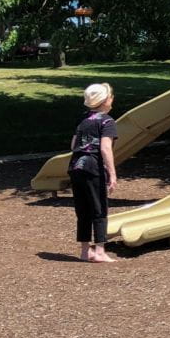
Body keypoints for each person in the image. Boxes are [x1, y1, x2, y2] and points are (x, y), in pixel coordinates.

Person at [68, 83, 119, 262]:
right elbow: (106, 148)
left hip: (75, 167)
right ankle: (99, 251)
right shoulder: (107, 121)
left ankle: (84, 251)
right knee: (99, 209)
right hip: (93, 168)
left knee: (82, 209)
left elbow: (73, 145)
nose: (112, 99)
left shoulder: (83, 120)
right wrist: (112, 173)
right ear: (106, 101)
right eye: (111, 96)